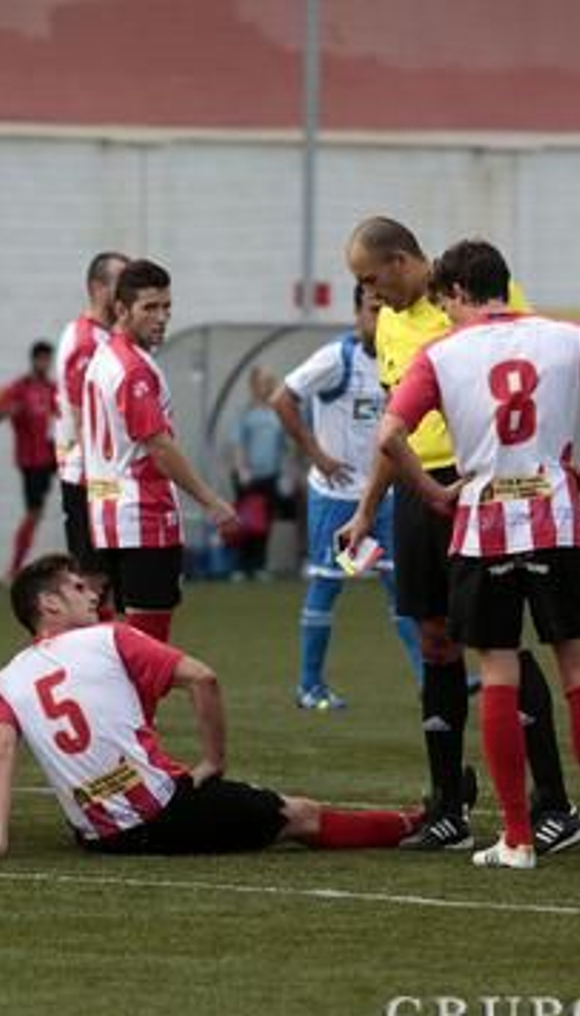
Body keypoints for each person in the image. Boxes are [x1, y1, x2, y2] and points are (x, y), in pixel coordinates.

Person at [347, 239, 580, 869]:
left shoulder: (440, 352)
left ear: (458, 293)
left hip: (482, 522)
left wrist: (434, 490)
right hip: (555, 517)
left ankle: (516, 839)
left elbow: (389, 434)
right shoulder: (568, 336)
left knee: (497, 674)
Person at [339, 216, 580, 854]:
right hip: (420, 490)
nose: (368, 295)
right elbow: (396, 428)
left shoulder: (473, 298)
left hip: (481, 482)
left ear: (399, 261)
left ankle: (554, 802)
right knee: (435, 639)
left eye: (370, 279)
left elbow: (533, 370)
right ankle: (449, 803)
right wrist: (368, 508)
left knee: (497, 638)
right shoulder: (390, 323)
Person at [0, 555, 427, 860]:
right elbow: (204, 678)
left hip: (98, 838)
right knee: (300, 815)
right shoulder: (109, 637)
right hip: (163, 815)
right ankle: (415, 822)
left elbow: (0, 754)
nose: (92, 593)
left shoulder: (3, 681)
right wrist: (213, 762)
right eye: (77, 588)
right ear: (49, 605)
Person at [271, 283, 423, 711]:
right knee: (329, 583)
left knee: (402, 586)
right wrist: (317, 454)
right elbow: (281, 398)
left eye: (387, 307)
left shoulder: (401, 359)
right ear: (357, 312)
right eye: (373, 307)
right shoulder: (337, 358)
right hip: (337, 500)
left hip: (384, 496)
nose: (381, 316)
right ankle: (309, 686)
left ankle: (431, 679)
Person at [81, 258, 239, 642]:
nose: (162, 317)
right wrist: (211, 501)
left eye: (167, 306)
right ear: (122, 309)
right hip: (144, 518)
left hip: (109, 517)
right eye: (150, 307)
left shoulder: (106, 356)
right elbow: (159, 447)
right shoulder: (133, 369)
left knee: (122, 644)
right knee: (148, 648)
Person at [54, 252, 129, 607]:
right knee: (93, 579)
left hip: (100, 475)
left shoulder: (103, 336)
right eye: (121, 285)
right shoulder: (87, 342)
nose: (126, 295)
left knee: (108, 579)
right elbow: (84, 418)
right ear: (98, 288)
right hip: (88, 476)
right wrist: (103, 485)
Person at [0, 339, 59, 577]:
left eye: (48, 359)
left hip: (55, 457)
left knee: (81, 497)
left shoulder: (53, 389)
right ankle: (14, 569)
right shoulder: (20, 387)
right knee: (34, 512)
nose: (45, 363)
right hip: (31, 460)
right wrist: (11, 410)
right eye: (41, 358)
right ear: (34, 360)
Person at [226, 365, 287, 580]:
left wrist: (285, 474)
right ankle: (241, 567)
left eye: (269, 381)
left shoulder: (277, 412)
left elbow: (283, 446)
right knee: (245, 522)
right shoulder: (245, 412)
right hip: (247, 475)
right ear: (253, 385)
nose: (266, 386)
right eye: (262, 382)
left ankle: (259, 564)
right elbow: (237, 443)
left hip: (270, 475)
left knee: (264, 522)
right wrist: (242, 469)